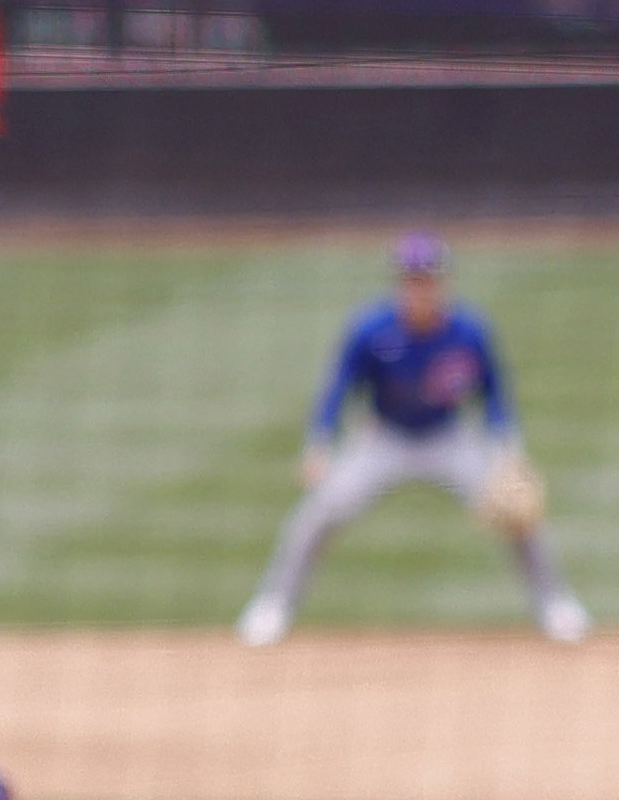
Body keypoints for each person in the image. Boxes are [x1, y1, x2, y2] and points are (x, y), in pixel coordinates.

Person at [235, 232, 588, 646]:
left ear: (443, 283)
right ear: (399, 283)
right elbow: (338, 388)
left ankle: (556, 605)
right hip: (384, 440)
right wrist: (320, 444)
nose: (420, 288)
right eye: (411, 279)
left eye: (428, 279)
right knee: (319, 514)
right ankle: (273, 605)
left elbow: (495, 393)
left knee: (520, 516)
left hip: (448, 438)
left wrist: (508, 449)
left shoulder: (469, 332)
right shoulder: (370, 330)